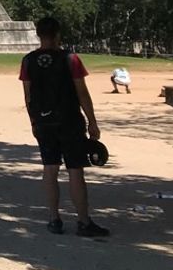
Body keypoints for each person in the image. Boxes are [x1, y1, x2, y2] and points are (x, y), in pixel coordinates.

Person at [20, 17, 109, 238]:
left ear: (39, 34)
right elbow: (82, 93)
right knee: (75, 170)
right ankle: (83, 221)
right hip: (70, 121)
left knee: (50, 169)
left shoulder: (28, 61)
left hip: (43, 122)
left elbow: (28, 96)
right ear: (58, 34)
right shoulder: (70, 59)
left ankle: (54, 219)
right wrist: (92, 122)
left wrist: (33, 121)